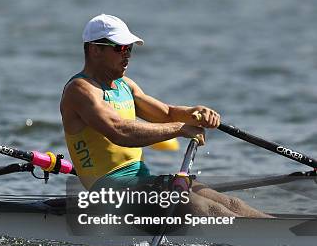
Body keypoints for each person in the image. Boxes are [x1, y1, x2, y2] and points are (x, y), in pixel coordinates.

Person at [60, 14, 269, 217]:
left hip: (140, 182)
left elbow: (167, 113)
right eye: (120, 48)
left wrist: (195, 113)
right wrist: (179, 129)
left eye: (130, 49)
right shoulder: (81, 90)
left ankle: (280, 236)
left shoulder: (126, 86)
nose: (127, 55)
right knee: (203, 208)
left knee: (230, 203)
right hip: (109, 192)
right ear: (95, 50)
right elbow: (119, 132)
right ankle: (264, 241)